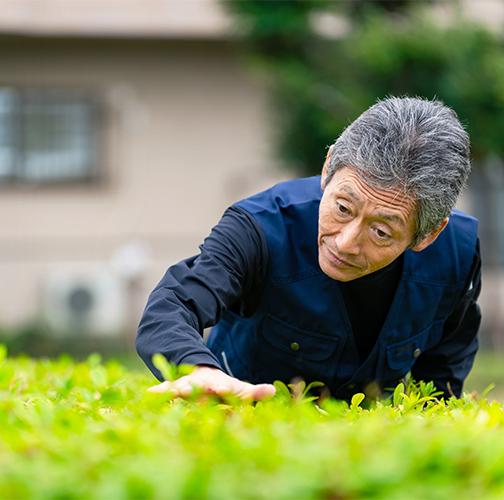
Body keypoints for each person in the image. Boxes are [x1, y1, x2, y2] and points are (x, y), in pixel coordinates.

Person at [136, 97, 481, 402]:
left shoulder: (456, 255)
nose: (345, 243)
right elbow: (176, 303)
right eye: (343, 208)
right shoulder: (260, 225)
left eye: (380, 231)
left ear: (428, 235)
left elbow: (446, 360)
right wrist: (199, 371)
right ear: (328, 168)